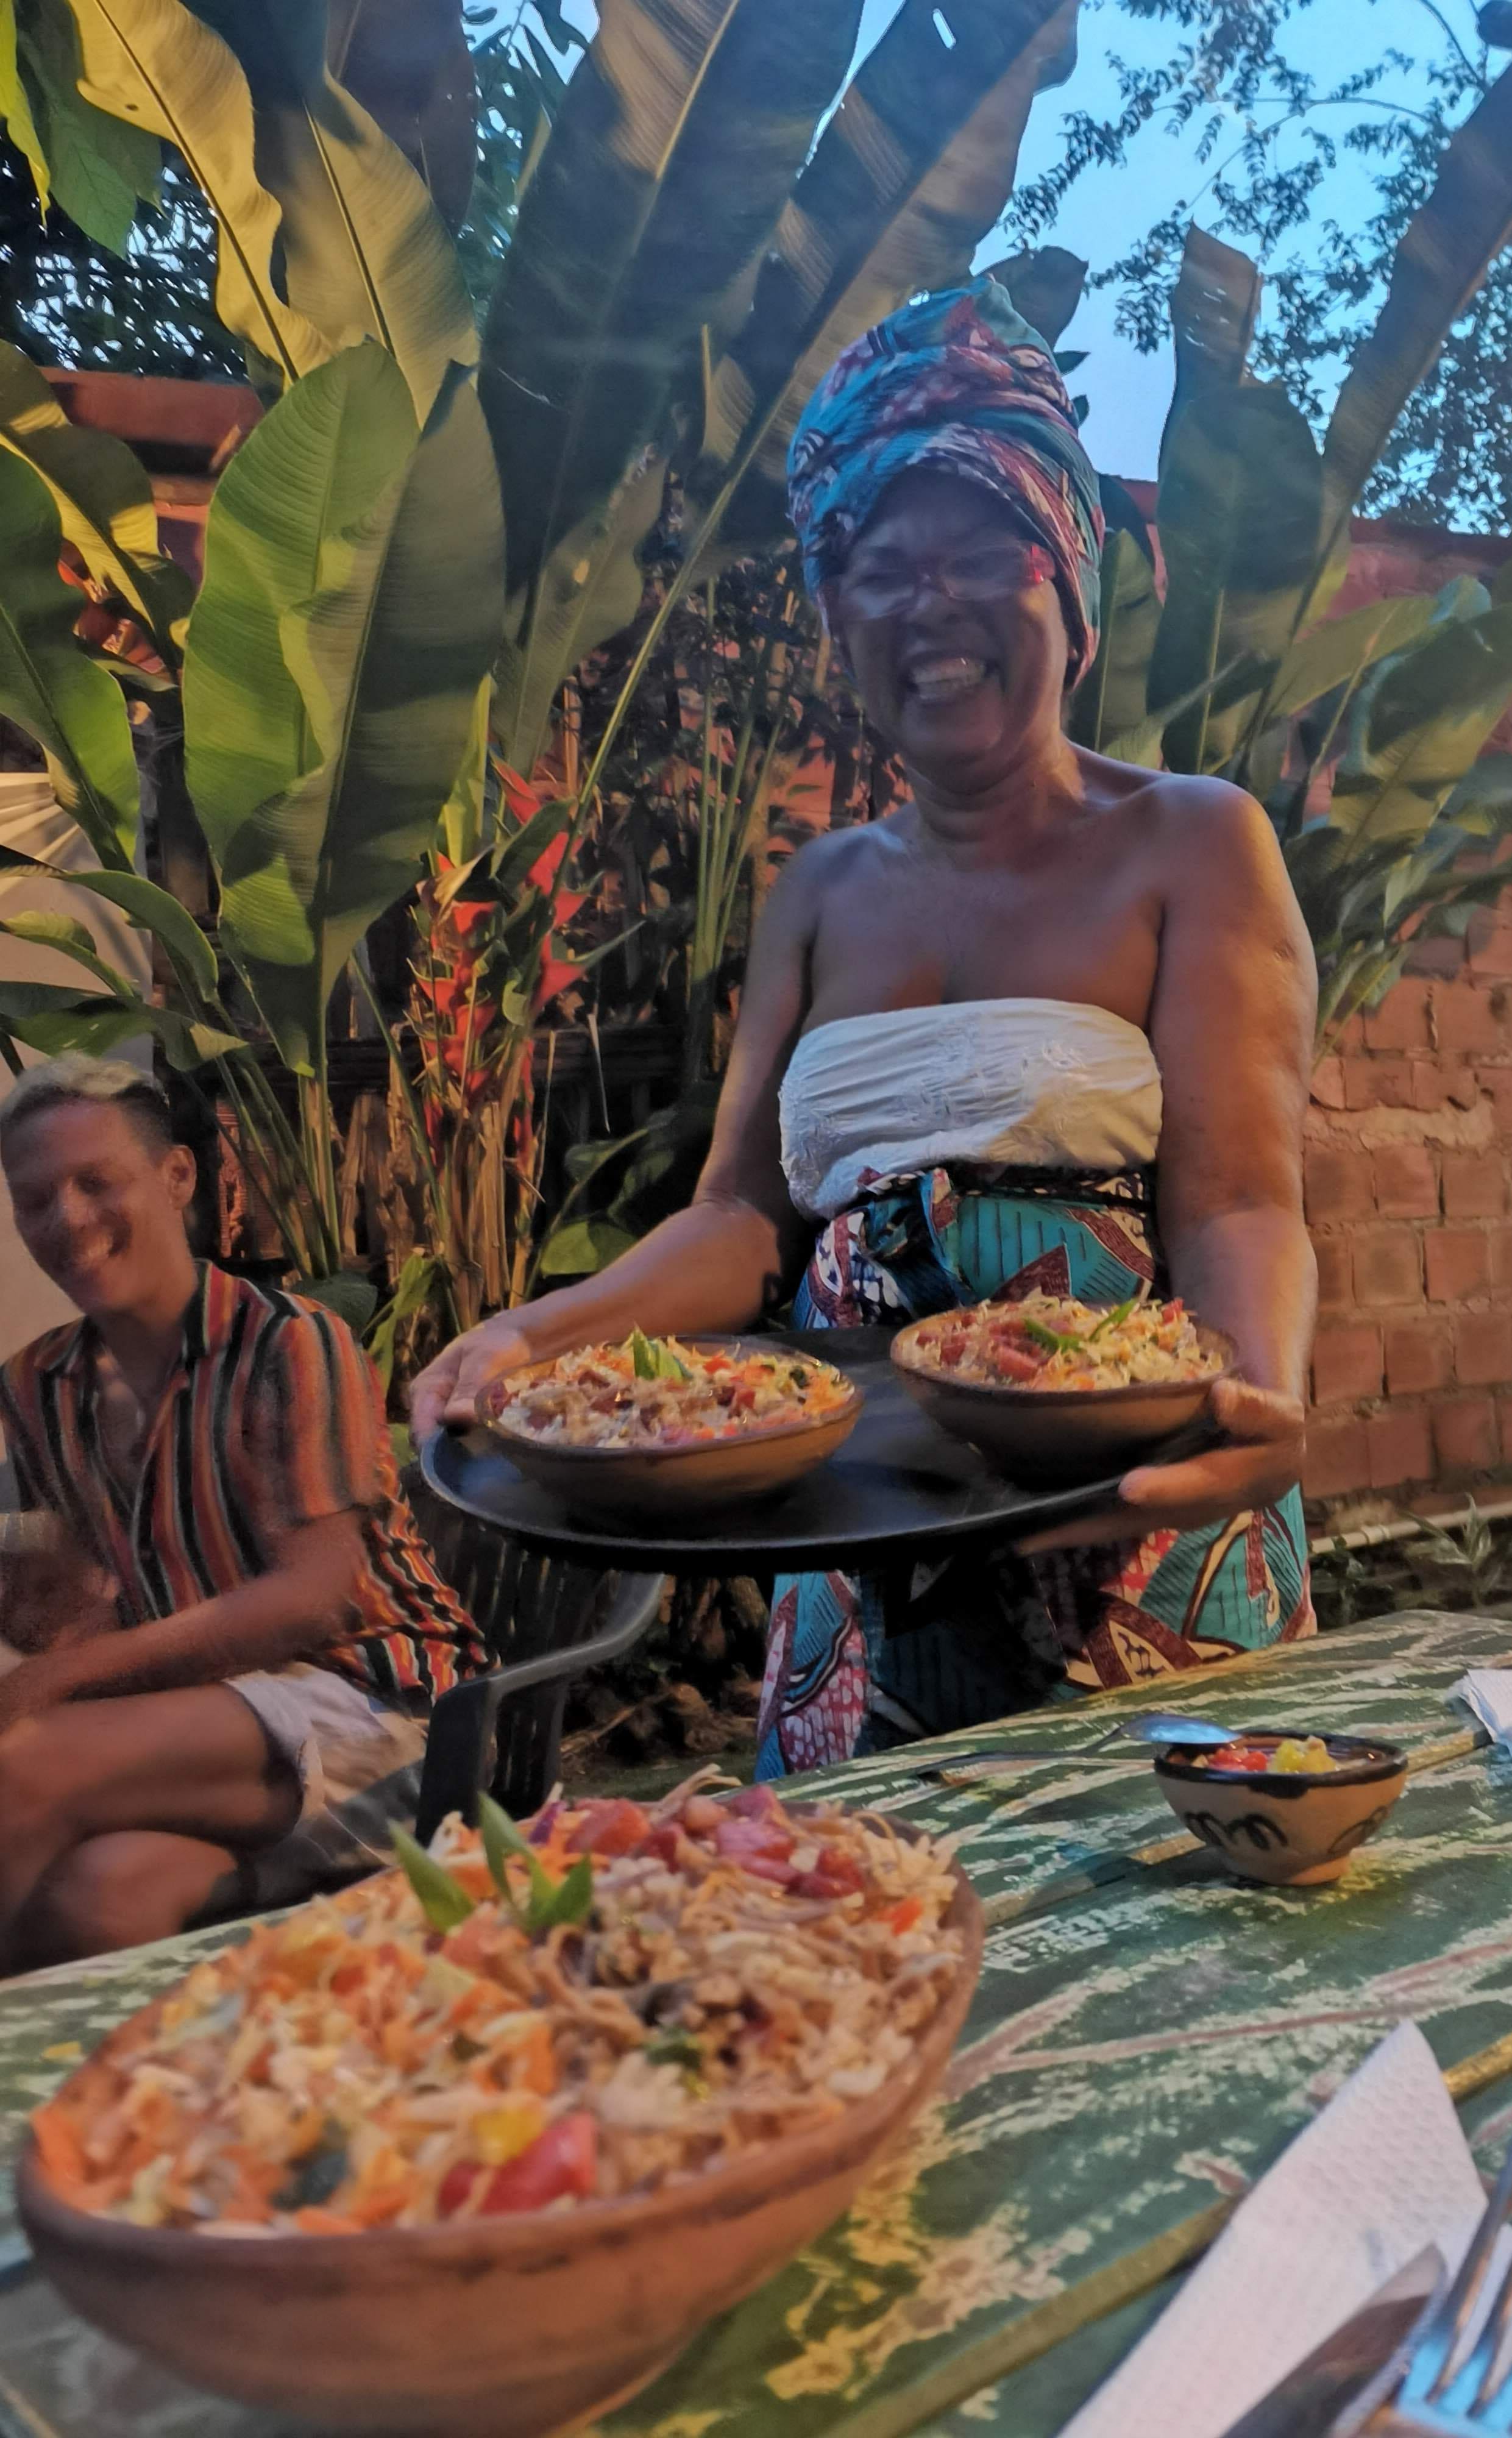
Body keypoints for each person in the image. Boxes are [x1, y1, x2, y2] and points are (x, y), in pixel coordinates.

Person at [413, 277, 1316, 1775]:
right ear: (840, 615)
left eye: (983, 552)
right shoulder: (818, 890)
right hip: (858, 1532)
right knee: (865, 1943)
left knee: (1159, 1959)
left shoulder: (1191, 842)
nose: (931, 605)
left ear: (1069, 585)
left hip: (1129, 1507)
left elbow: (1237, 1196)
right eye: (882, 569)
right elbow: (742, 1220)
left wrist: (1258, 1397)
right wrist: (531, 1330)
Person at [0, 1056, 488, 1962]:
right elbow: (76, 1615)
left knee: (25, 1764)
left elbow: (310, 1602)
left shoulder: (289, 1343)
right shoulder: (37, 1386)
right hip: (213, 1736)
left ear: (178, 1176)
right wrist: (47, 1620)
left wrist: (58, 1679)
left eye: (96, 1181)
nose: (67, 1218)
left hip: (390, 1713)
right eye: (34, 1199)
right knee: (87, 1904)